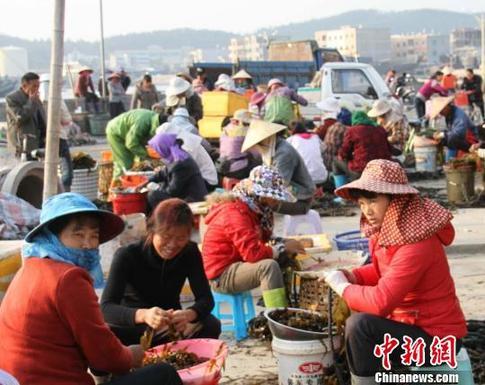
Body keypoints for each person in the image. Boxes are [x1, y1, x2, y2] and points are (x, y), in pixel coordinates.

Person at [0, 192, 182, 385]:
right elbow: (106, 357)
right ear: (53, 236)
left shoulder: (30, 267)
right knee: (164, 374)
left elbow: (95, 338)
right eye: (78, 235)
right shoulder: (68, 278)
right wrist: (132, 355)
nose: (87, 244)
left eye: (93, 235)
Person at [323, 159, 467, 384]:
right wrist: (354, 276)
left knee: (360, 326)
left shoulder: (418, 242)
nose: (367, 210)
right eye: (361, 203)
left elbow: (382, 301)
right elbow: (386, 271)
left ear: (396, 199)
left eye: (373, 200)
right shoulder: (392, 229)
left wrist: (343, 286)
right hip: (410, 325)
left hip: (437, 339)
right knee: (358, 309)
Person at [101, 198, 220, 347]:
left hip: (170, 328)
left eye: (181, 238)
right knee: (103, 335)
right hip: (136, 330)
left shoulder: (190, 252)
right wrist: (144, 315)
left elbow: (206, 299)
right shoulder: (127, 255)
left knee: (211, 324)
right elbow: (106, 307)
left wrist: (189, 314)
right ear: (152, 230)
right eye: (166, 237)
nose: (172, 245)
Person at [202, 165, 304, 308]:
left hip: (238, 264)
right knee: (268, 267)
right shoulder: (235, 213)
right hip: (221, 275)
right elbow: (253, 254)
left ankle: (281, 303)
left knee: (285, 257)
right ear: (259, 194)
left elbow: (265, 238)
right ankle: (277, 316)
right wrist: (282, 247)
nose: (277, 201)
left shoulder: (256, 210)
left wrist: (285, 243)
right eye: (273, 196)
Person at [242, 120, 315, 215]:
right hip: (289, 194)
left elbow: (277, 184)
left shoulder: (284, 153)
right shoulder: (272, 150)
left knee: (255, 203)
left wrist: (254, 189)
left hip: (301, 201)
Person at [144, 133, 208, 210]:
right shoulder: (175, 156)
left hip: (192, 200)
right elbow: (163, 173)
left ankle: (166, 219)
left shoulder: (180, 163)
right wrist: (146, 181)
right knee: (160, 186)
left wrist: (155, 187)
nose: (156, 151)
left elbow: (172, 191)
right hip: (184, 194)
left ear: (162, 147)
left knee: (153, 195)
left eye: (156, 149)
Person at [156, 118, 218, 189]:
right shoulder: (183, 139)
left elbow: (182, 167)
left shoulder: (186, 144)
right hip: (200, 177)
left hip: (206, 181)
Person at [335, 111, 393, 182]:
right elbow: (389, 148)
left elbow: (344, 153)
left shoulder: (352, 130)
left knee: (335, 161)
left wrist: (346, 156)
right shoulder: (380, 129)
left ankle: (341, 191)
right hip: (383, 169)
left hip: (361, 171)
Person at [39, 73, 73, 191]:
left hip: (43, 138)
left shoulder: (38, 100)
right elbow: (66, 118)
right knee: (65, 167)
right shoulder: (57, 99)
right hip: (59, 136)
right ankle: (65, 191)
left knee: (47, 167)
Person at [106, 109, 162, 178]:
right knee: (124, 165)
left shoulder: (153, 120)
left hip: (127, 133)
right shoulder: (143, 123)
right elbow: (131, 144)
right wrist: (147, 157)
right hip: (116, 133)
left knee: (141, 163)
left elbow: (140, 139)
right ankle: (116, 186)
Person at [5, 72, 46, 157]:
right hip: (22, 144)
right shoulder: (12, 99)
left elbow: (42, 118)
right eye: (34, 86)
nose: (37, 89)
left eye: (38, 86)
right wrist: (31, 102)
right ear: (24, 86)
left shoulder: (36, 99)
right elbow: (20, 117)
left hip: (38, 142)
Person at [218, 109, 259, 180]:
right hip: (237, 170)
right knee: (258, 162)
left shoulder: (226, 129)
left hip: (222, 166)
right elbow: (256, 154)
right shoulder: (243, 133)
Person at [286, 119, 328, 186]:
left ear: (290, 131)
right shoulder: (315, 137)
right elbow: (324, 149)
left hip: (303, 179)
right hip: (321, 176)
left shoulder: (290, 140)